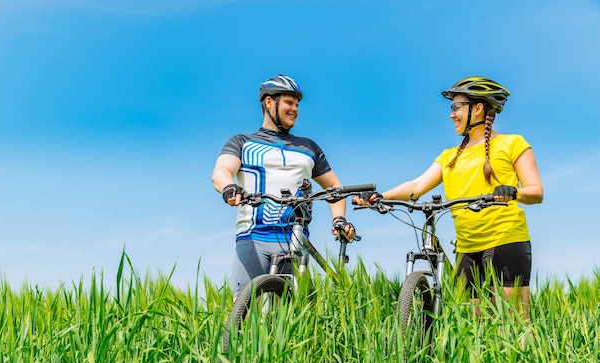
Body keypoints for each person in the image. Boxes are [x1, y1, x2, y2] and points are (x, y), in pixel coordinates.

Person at [356, 76, 543, 320]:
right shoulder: (449, 156)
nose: (451, 114)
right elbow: (417, 185)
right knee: (472, 326)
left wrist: (513, 192)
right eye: (451, 108)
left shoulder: (512, 143)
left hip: (506, 241)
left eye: (456, 107)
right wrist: (380, 197)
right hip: (466, 248)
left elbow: (536, 192)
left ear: (477, 108)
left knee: (514, 321)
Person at [212, 74, 356, 297]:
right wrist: (230, 188)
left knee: (298, 317)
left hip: (296, 240)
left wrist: (338, 219)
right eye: (289, 102)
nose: (295, 109)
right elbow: (221, 172)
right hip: (253, 237)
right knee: (244, 314)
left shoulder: (309, 147)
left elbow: (334, 188)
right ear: (269, 102)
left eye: (297, 104)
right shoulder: (242, 142)